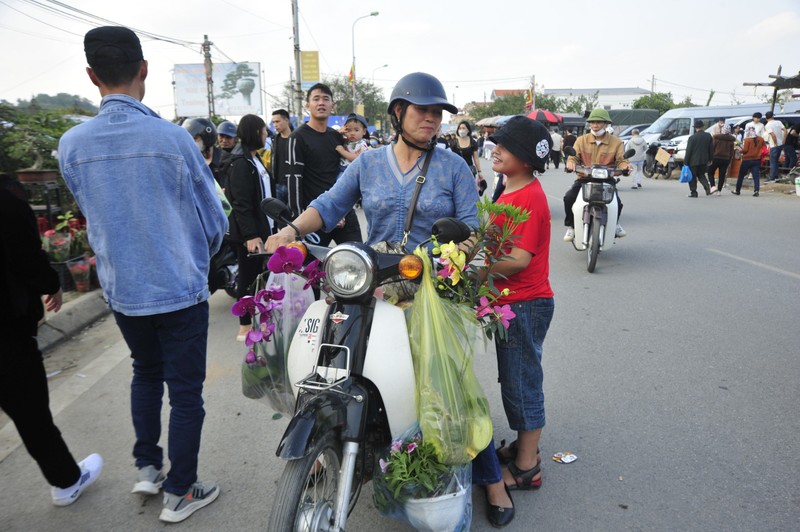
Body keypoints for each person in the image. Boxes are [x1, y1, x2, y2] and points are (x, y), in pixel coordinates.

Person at [57, 26, 228, 524]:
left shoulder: (72, 145)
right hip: (178, 288)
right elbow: (214, 219)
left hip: (123, 289)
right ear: (144, 71)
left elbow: (91, 210)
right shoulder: (173, 139)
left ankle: (148, 468)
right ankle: (180, 491)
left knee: (144, 374)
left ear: (92, 76)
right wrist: (200, 260)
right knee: (186, 393)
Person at [0, 174, 103, 507]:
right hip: (7, 331)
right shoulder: (8, 202)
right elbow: (27, 256)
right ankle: (65, 480)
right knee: (30, 411)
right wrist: (50, 283)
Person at [472, 116, 554, 528]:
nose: (494, 150)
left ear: (526, 158)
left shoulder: (530, 199)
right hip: (510, 301)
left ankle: (527, 466)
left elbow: (519, 259)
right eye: (494, 144)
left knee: (522, 381)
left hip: (524, 303)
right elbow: (491, 235)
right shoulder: (509, 187)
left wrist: (476, 273)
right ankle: (523, 448)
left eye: (503, 146)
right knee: (514, 378)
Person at [285, 83, 362, 246]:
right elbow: (294, 181)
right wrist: (297, 223)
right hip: (313, 216)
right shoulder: (297, 137)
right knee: (307, 269)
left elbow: (346, 173)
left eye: (326, 99)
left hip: (343, 213)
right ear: (308, 105)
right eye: (316, 99)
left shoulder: (336, 137)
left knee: (358, 260)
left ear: (332, 106)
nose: (321, 103)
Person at [225, 114, 274, 341]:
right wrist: (251, 235)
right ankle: (244, 326)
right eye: (263, 130)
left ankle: (262, 321)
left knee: (262, 278)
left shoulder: (255, 160)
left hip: (263, 229)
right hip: (250, 234)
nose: (266, 134)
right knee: (248, 277)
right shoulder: (241, 163)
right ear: (255, 132)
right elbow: (241, 202)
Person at [563, 108, 628, 242]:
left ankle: (615, 224)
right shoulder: (581, 140)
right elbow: (573, 157)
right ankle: (571, 226)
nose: (595, 125)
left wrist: (626, 167)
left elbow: (622, 161)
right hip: (584, 179)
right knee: (569, 198)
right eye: (592, 122)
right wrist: (570, 163)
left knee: (618, 203)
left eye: (599, 122)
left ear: (606, 124)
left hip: (607, 180)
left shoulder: (616, 142)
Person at [451, 120, 487, 194]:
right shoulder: (454, 142)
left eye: (463, 128)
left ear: (468, 130)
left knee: (468, 191)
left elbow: (476, 158)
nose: (461, 130)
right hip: (456, 170)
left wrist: (479, 172)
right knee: (457, 191)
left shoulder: (473, 142)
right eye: (460, 128)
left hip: (469, 170)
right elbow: (451, 158)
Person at [683, 119, 713, 197]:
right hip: (704, 160)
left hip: (693, 161)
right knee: (701, 175)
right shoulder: (708, 136)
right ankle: (707, 187)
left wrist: (686, 162)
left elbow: (688, 151)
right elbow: (711, 149)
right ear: (702, 127)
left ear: (695, 128)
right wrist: (710, 159)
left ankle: (694, 192)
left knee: (692, 177)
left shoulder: (692, 138)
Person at [733, 125, 765, 196]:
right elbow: (763, 147)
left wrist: (739, 150)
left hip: (747, 159)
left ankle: (737, 190)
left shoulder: (747, 140)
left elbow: (745, 150)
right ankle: (756, 190)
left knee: (741, 175)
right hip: (757, 159)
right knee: (756, 176)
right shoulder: (761, 139)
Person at [270, 109, 293, 204]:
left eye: (277, 121)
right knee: (278, 216)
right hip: (278, 185)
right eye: (273, 122)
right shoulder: (274, 140)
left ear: (286, 120)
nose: (275, 125)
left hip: (293, 185)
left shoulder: (297, 139)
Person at [708, 125, 736, 195]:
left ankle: (713, 186)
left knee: (710, 172)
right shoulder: (731, 140)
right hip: (725, 159)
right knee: (722, 175)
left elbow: (712, 148)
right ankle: (719, 191)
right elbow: (731, 152)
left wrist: (710, 158)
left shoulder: (716, 138)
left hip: (716, 158)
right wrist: (729, 161)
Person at [763, 111, 786, 182]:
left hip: (774, 145)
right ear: (772, 116)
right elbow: (785, 130)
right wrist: (783, 140)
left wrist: (775, 143)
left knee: (773, 162)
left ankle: (772, 177)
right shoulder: (778, 122)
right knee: (776, 161)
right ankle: (776, 176)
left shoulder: (767, 125)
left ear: (766, 118)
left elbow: (773, 135)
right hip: (781, 144)